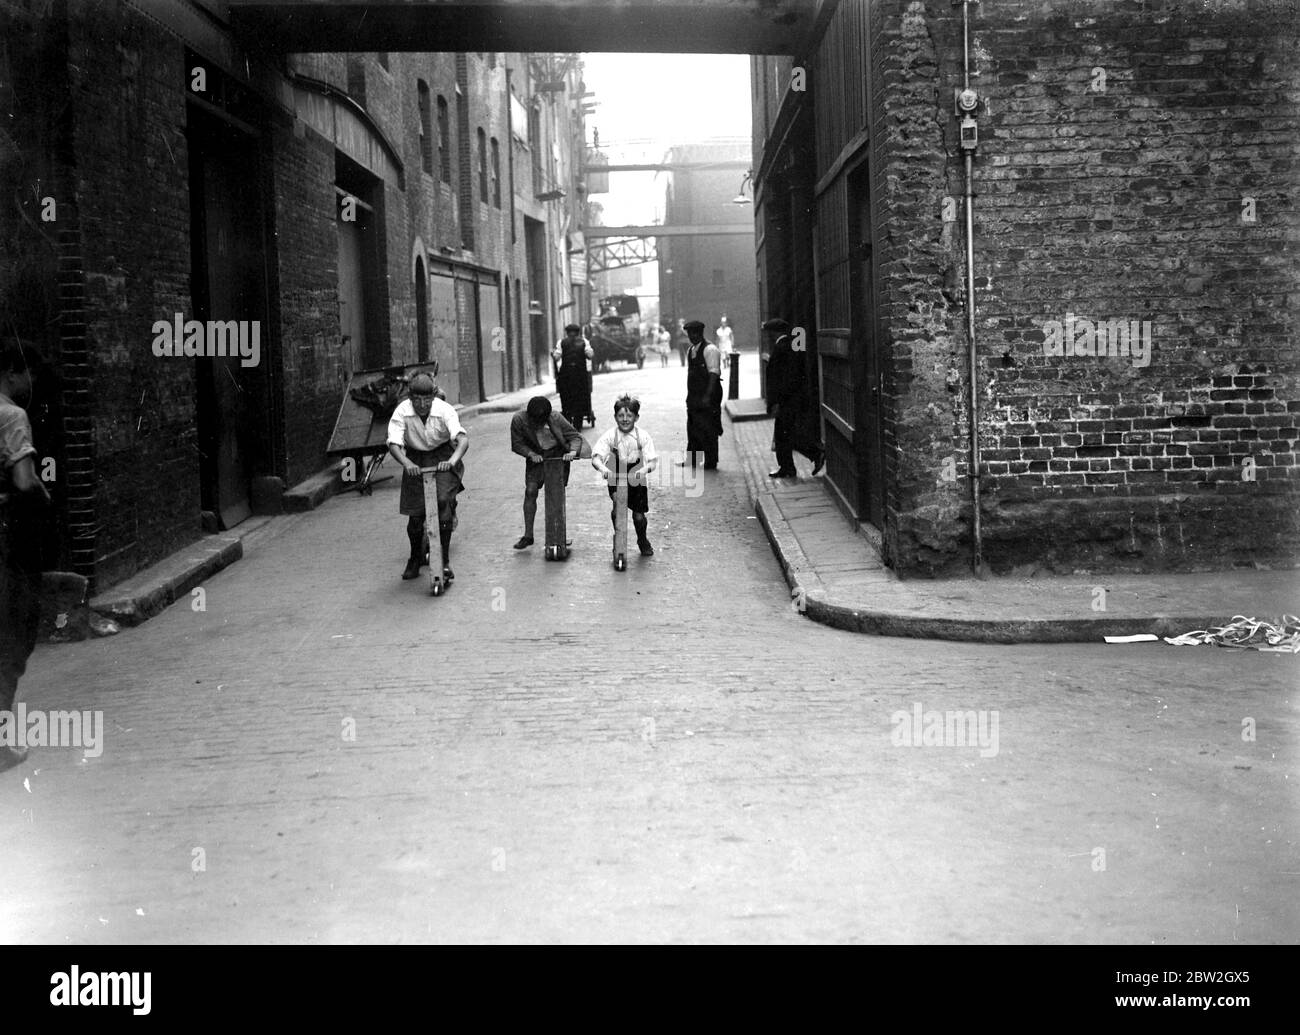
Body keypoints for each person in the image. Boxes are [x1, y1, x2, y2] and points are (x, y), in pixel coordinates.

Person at [0, 341, 51, 774]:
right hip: (5, 543)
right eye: (28, 374)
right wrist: (40, 490)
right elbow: (22, 480)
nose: (30, 384)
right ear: (13, 373)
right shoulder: (12, 416)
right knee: (11, 640)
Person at [386, 373, 468, 582]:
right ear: (410, 398)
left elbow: (462, 439)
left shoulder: (444, 410)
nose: (422, 404)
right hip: (414, 457)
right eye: (417, 400)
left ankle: (444, 560)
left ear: (433, 396)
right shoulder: (402, 412)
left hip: (443, 455)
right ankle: (415, 558)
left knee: (442, 503)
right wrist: (407, 463)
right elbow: (394, 443)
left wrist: (452, 461)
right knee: (416, 515)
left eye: (427, 399)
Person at [509, 395, 589, 549]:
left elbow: (574, 437)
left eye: (542, 420)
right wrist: (531, 454)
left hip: (556, 457)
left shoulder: (556, 418)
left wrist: (572, 452)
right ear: (529, 415)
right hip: (536, 457)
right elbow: (517, 443)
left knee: (555, 496)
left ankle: (558, 535)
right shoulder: (519, 420)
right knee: (530, 491)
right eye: (535, 421)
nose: (539, 424)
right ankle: (528, 535)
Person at [591, 394, 658, 557]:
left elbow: (652, 462)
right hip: (616, 471)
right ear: (615, 417)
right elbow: (596, 458)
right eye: (621, 415)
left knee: (639, 516)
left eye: (629, 416)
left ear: (636, 417)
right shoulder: (610, 435)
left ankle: (642, 539)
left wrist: (643, 471)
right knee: (618, 505)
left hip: (636, 473)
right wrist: (603, 469)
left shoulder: (642, 436)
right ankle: (619, 541)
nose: (625, 419)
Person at [762, 317, 825, 478]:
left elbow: (783, 379)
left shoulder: (782, 348)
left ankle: (814, 454)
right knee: (785, 434)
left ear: (774, 333)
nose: (767, 336)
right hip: (790, 400)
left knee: (786, 434)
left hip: (786, 401)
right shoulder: (787, 346)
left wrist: (777, 402)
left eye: (769, 333)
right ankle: (788, 467)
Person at [681, 319, 722, 470]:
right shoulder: (691, 350)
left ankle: (711, 461)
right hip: (694, 396)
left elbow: (714, 374)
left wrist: (707, 396)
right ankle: (693, 459)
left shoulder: (710, 350)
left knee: (708, 428)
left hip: (707, 396)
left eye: (695, 333)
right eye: (690, 334)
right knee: (693, 427)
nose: (692, 336)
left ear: (701, 333)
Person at [553, 323, 593, 429]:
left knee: (566, 399)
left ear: (567, 333)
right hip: (580, 376)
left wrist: (554, 354)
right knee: (580, 400)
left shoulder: (561, 342)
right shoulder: (584, 342)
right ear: (578, 332)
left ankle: (567, 423)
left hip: (566, 376)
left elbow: (556, 357)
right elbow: (590, 355)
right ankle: (578, 426)